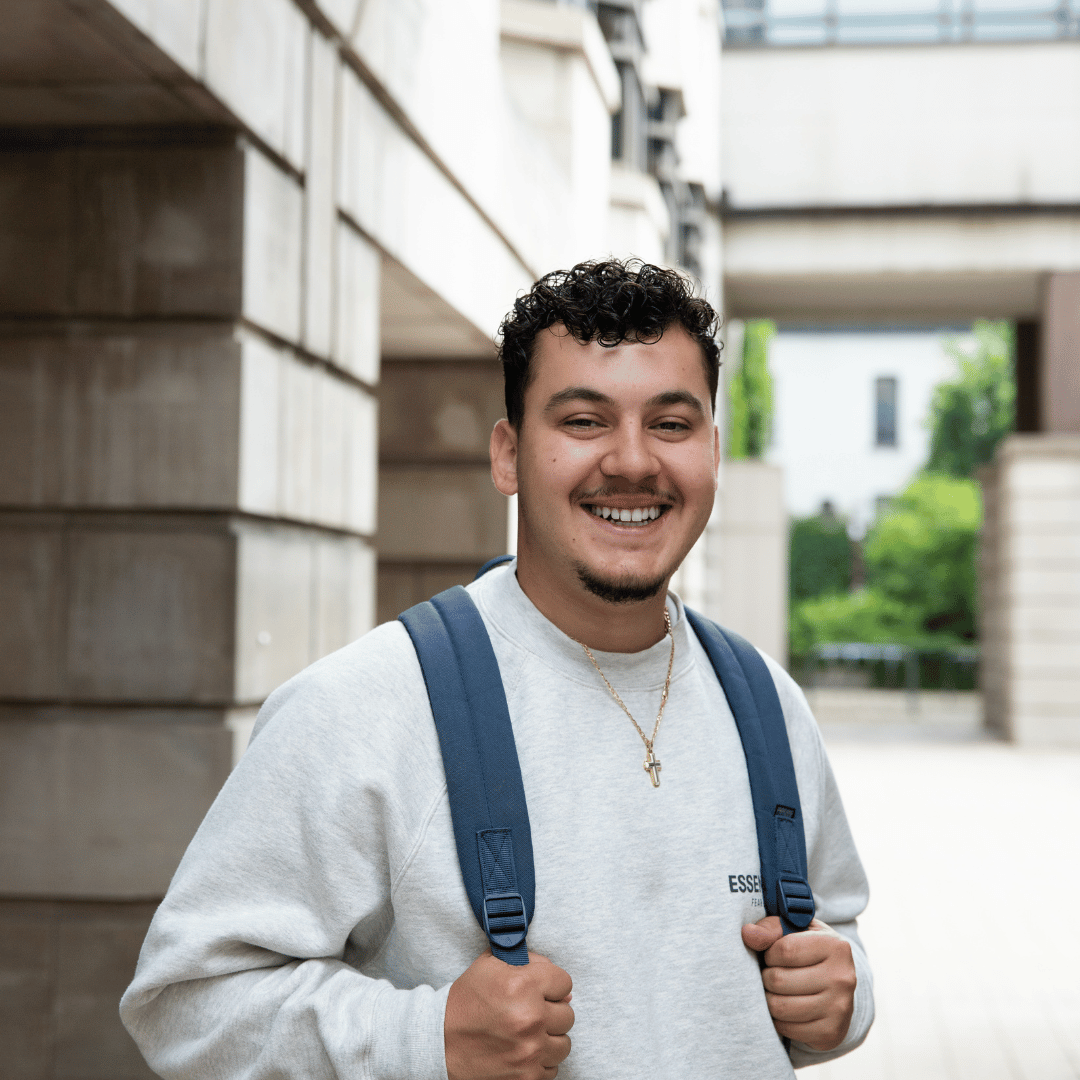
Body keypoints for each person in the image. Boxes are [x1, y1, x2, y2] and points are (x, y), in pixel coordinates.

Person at [121, 259, 873, 1080]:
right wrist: (423, 1037)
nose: (631, 461)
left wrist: (847, 995)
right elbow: (185, 1005)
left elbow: (835, 933)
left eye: (671, 423)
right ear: (508, 454)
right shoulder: (368, 707)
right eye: (584, 421)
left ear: (713, 454)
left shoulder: (766, 705)